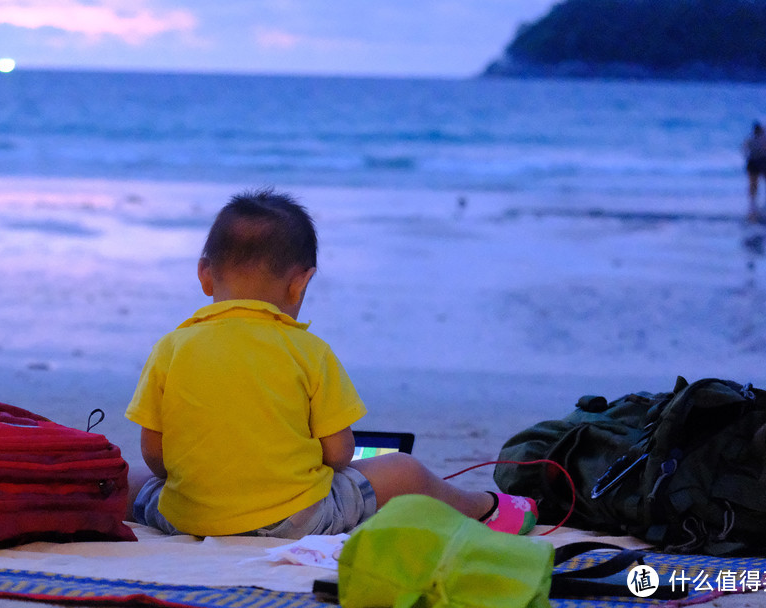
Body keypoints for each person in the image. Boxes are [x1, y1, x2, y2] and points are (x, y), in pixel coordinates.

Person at [124, 188, 537, 539]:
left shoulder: (170, 347)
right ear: (300, 281)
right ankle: (484, 508)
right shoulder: (308, 351)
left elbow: (155, 456)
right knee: (404, 470)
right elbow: (339, 454)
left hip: (187, 518)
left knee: (127, 479)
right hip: (295, 519)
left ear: (205, 274)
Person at [743, 122, 766, 221]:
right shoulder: (760, 139)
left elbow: (745, 149)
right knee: (759, 182)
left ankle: (755, 201)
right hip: (759, 161)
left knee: (755, 182)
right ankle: (758, 201)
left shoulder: (752, 139)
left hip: (755, 161)